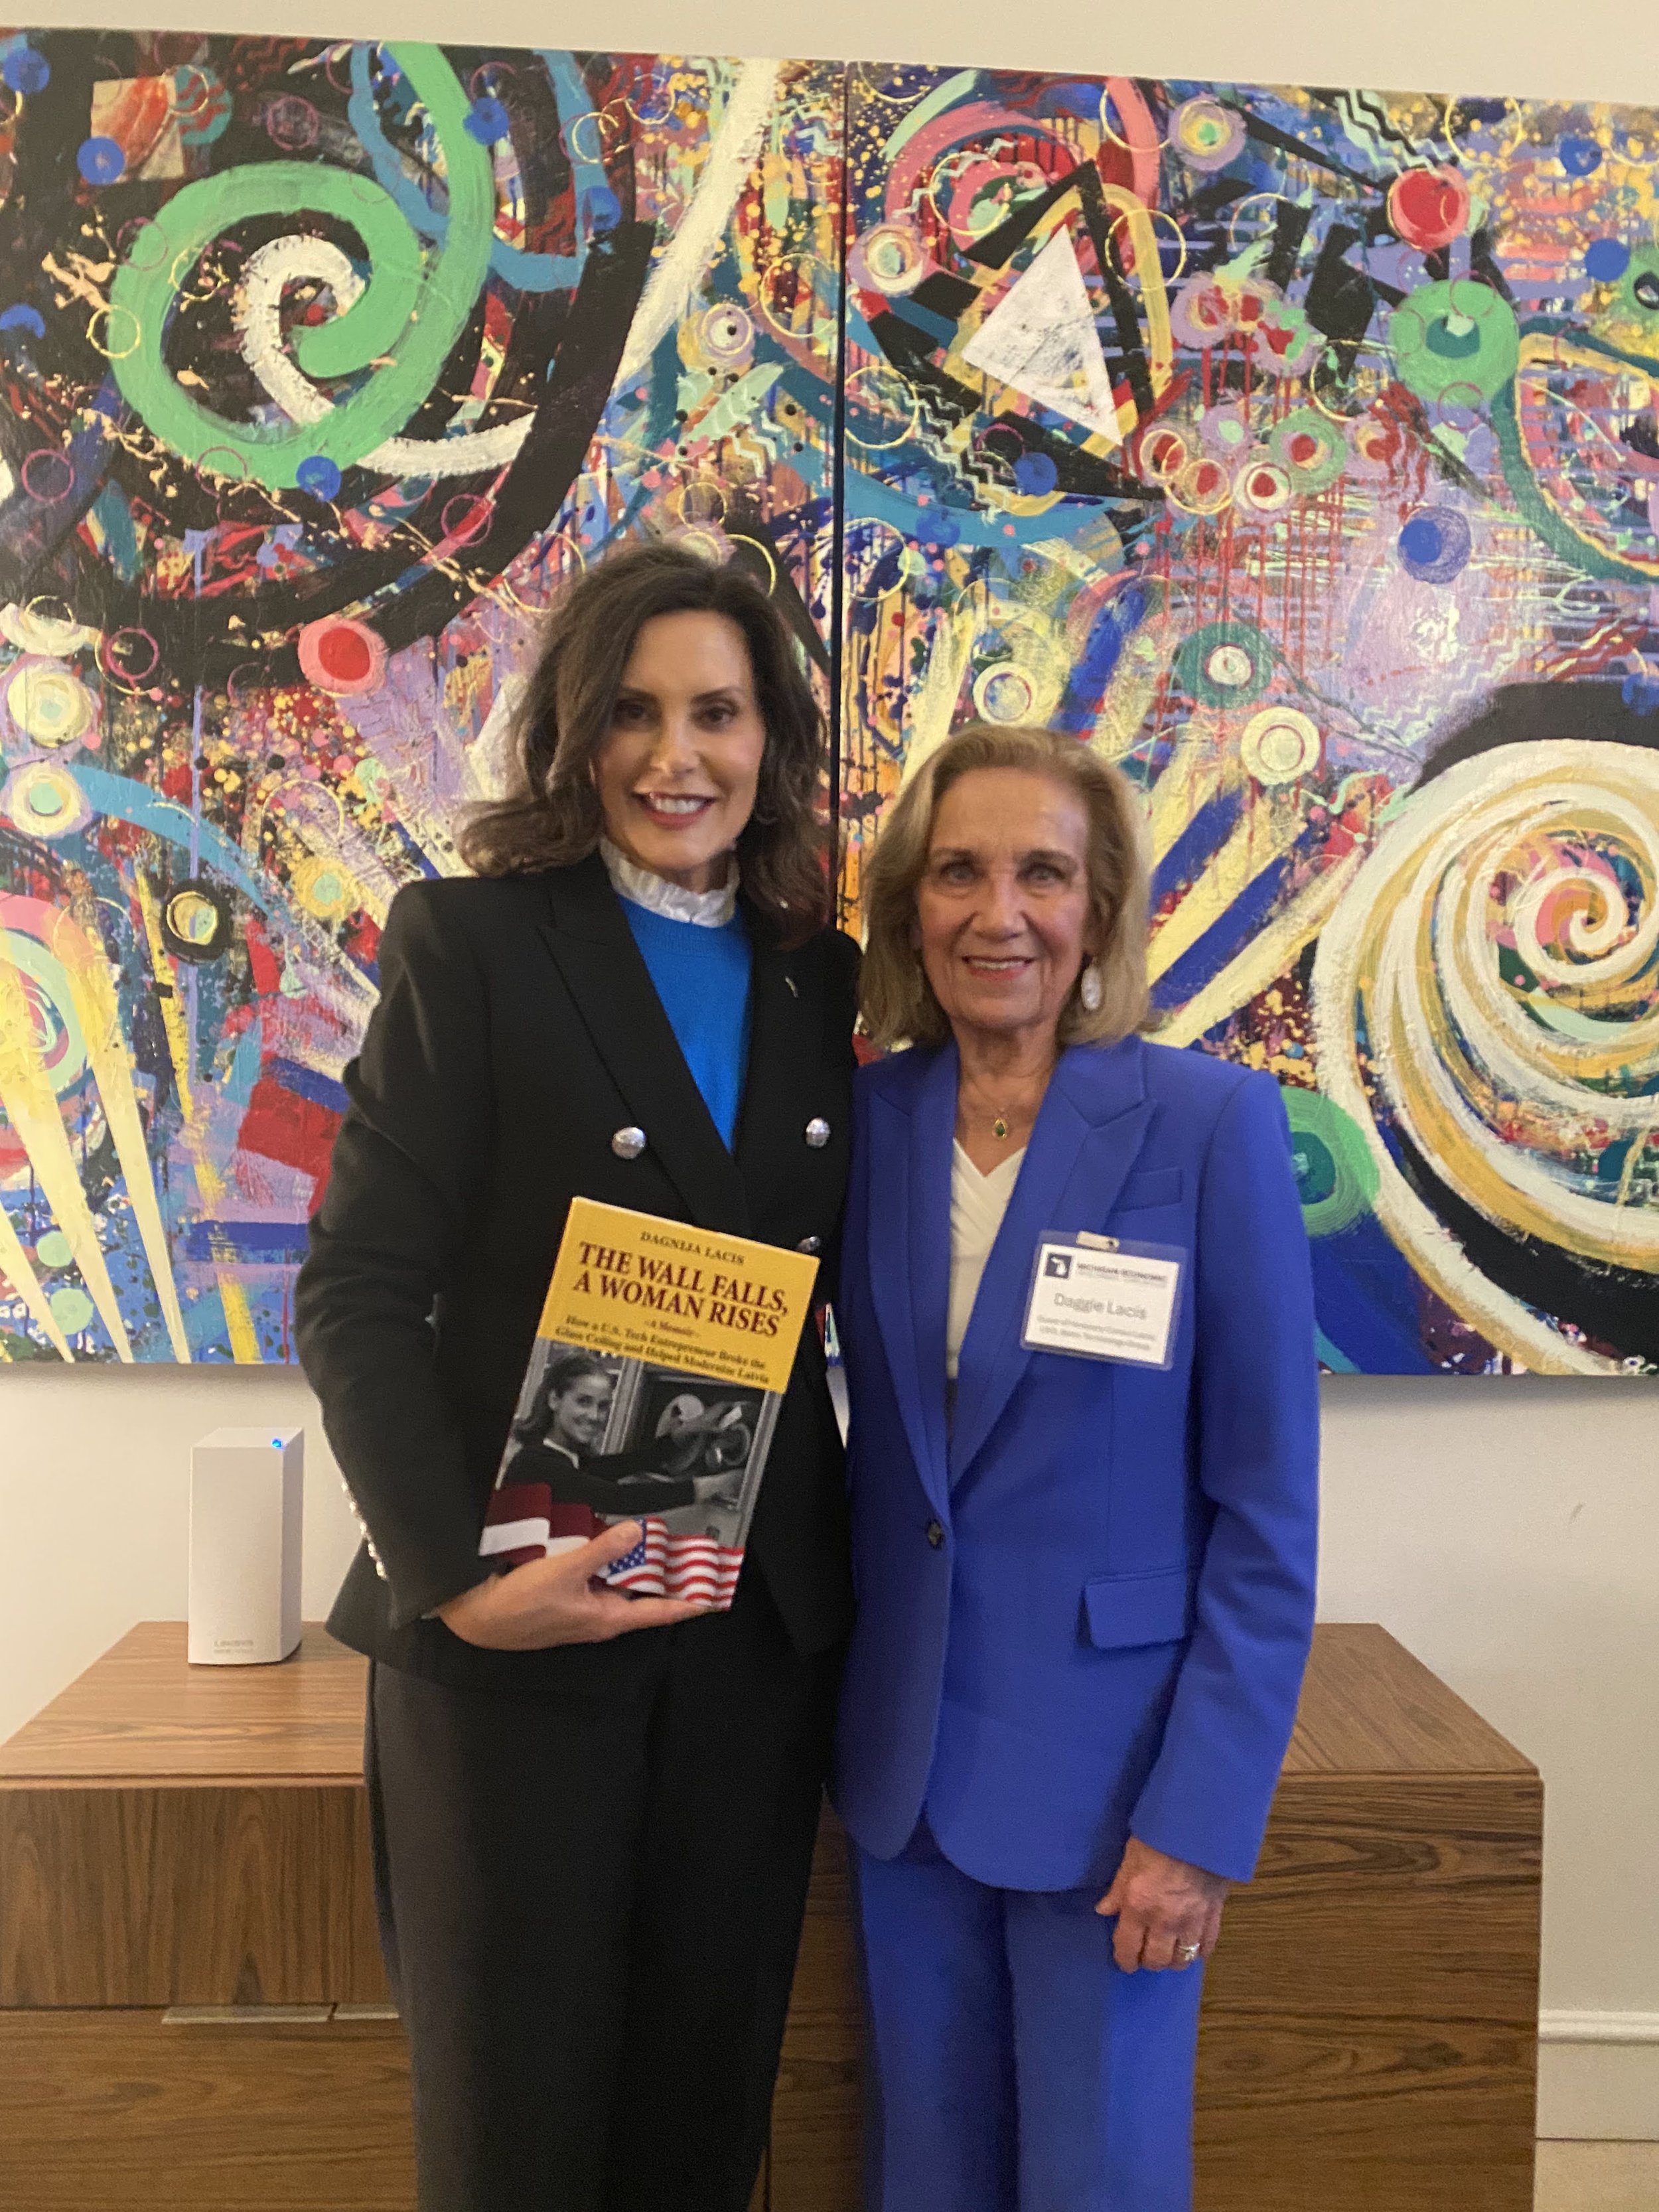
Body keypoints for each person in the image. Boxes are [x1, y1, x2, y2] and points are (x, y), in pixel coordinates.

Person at [297, 542, 859, 2212]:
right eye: (630, 711)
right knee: (516, 2132)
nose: (674, 756)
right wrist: (459, 1580)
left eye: (716, 712)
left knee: (698, 2118)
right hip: (516, 1641)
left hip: (749, 1640)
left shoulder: (825, 976)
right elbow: (355, 1288)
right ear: (569, 731)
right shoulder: (474, 943)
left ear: (770, 740)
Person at [833, 722, 1319, 2212]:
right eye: (958, 872)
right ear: (908, 904)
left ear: (1098, 905)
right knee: (926, 2176)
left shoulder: (1205, 1122)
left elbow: (1263, 1510)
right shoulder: (866, 1121)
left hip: (1115, 1784)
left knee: (1097, 2177)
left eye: (1041, 873)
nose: (999, 913)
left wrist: (1199, 1818)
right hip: (902, 1775)